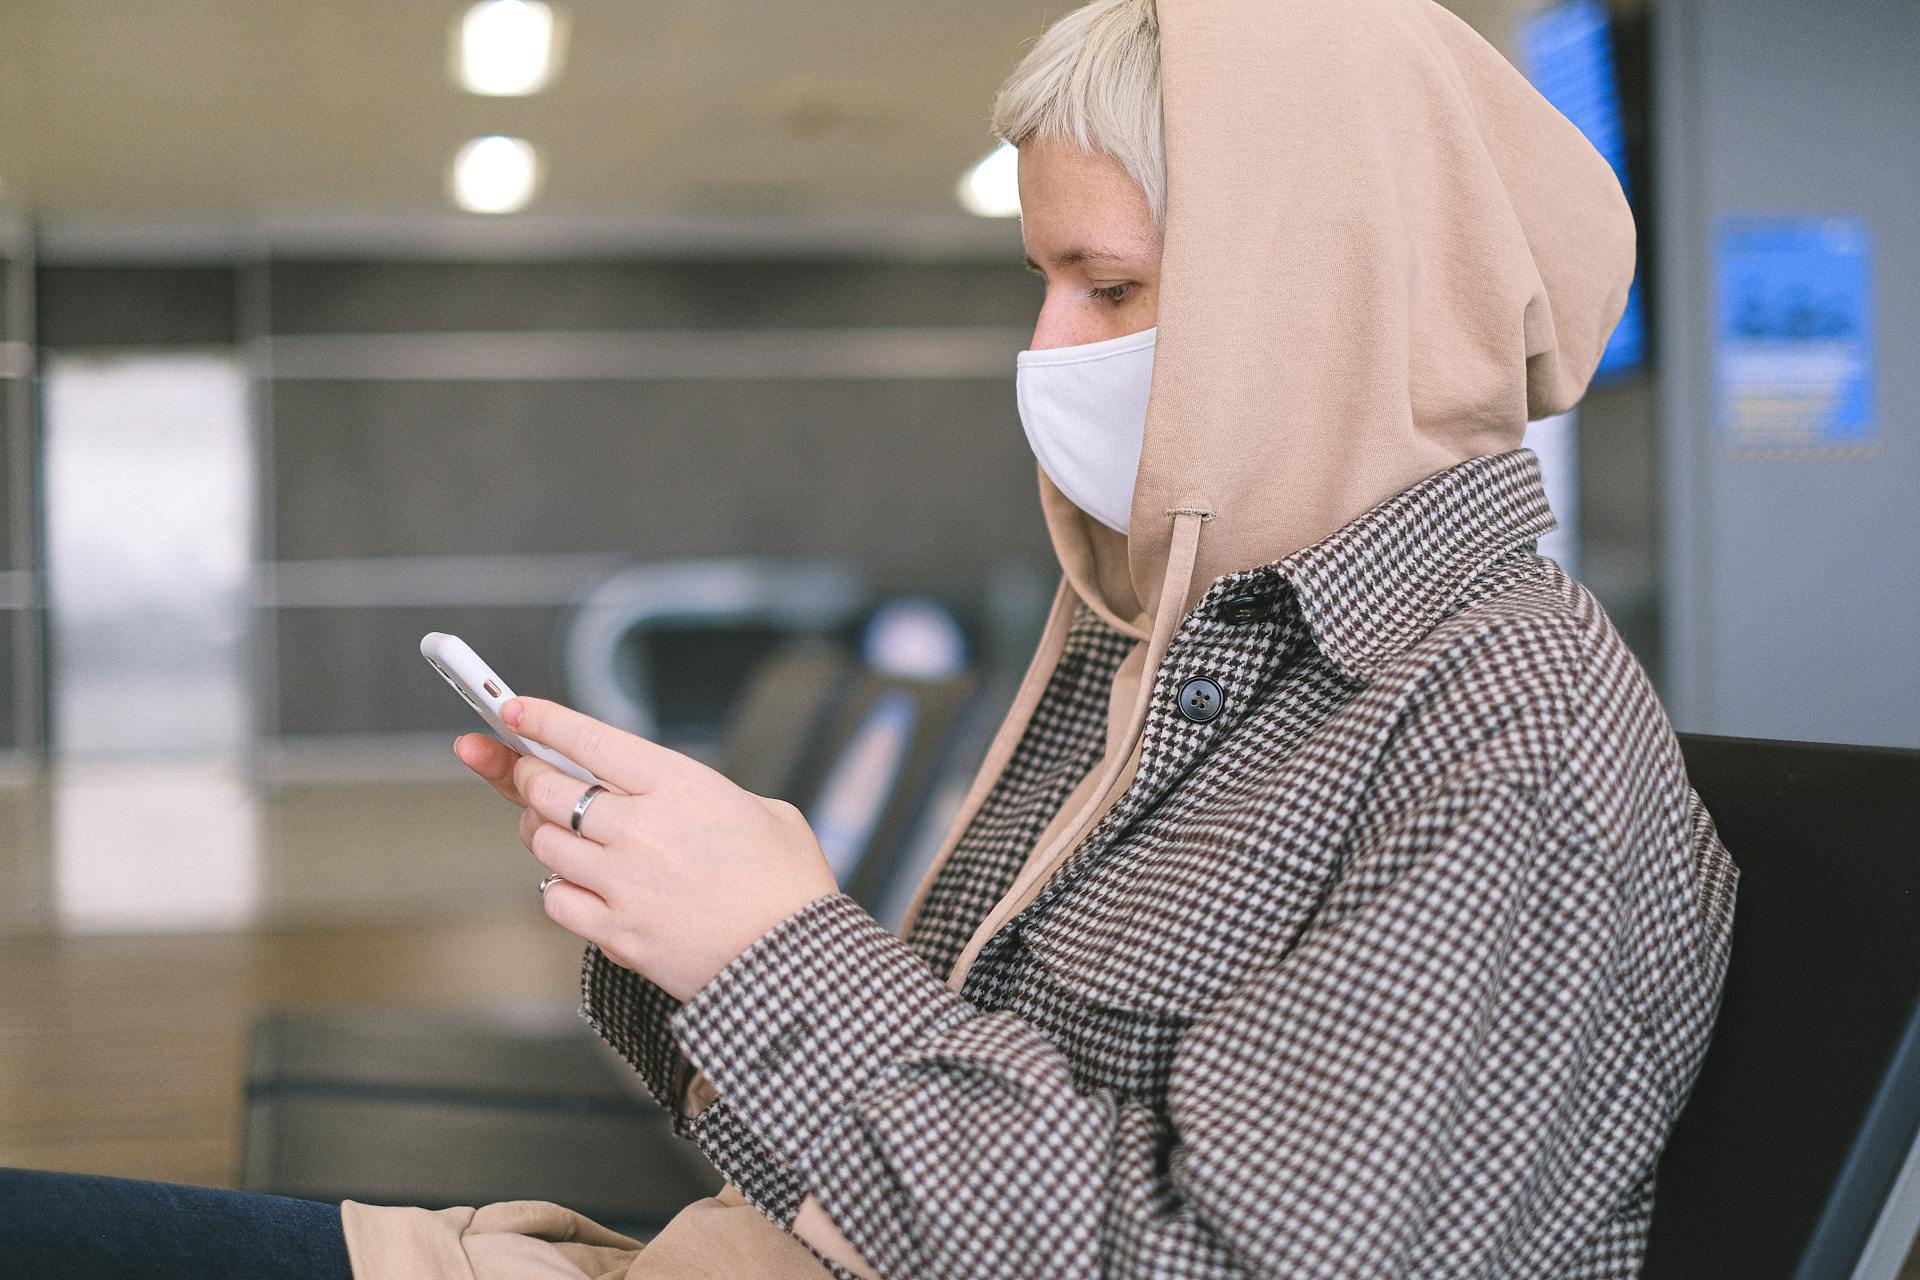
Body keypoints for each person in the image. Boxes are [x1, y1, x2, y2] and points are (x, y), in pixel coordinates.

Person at [0, 0, 1737, 1275]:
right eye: (1044, 279)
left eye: (1111, 288)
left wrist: (777, 954)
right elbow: (915, 1164)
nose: (1047, 346)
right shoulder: (1163, 651)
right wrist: (688, 931)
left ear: (1336, 300)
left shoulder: (1510, 735)